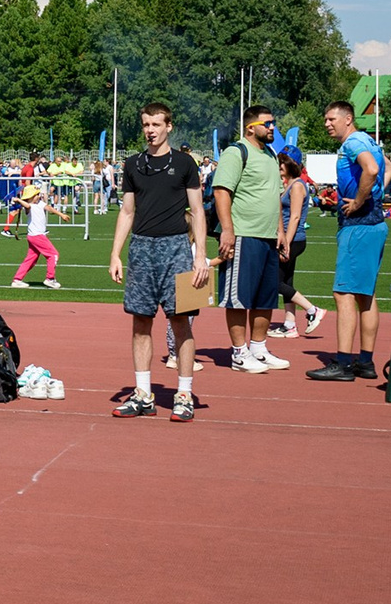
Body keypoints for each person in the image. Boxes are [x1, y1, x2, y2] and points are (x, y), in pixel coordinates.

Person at [110, 103, 211, 421]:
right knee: (140, 322)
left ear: (169, 126)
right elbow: (127, 212)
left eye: (156, 124)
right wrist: (115, 253)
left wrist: (200, 256)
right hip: (140, 250)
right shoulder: (132, 164)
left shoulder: (185, 163)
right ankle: (142, 393)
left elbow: (197, 211)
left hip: (177, 250)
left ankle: (183, 394)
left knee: (181, 322)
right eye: (145, 125)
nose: (150, 130)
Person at [309, 101, 391, 383]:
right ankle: (365, 362)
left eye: (331, 119)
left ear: (348, 119)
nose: (327, 124)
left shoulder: (354, 143)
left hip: (358, 225)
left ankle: (343, 363)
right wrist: (374, 196)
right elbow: (387, 167)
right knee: (365, 295)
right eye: (326, 119)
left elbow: (370, 170)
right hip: (375, 223)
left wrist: (359, 199)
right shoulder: (369, 140)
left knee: (343, 294)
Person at [213, 106, 289, 372]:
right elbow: (222, 192)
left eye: (273, 123)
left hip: (268, 236)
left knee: (265, 297)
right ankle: (238, 353)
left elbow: (275, 196)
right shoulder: (236, 152)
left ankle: (258, 348)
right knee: (238, 298)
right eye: (268, 124)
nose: (272, 128)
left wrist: (280, 230)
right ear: (250, 127)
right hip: (244, 234)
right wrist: (228, 230)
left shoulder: (270, 154)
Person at [266, 132, 324, 344]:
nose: (280, 165)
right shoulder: (289, 184)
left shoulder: (298, 185)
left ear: (294, 165)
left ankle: (312, 309)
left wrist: (286, 243)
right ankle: (290, 324)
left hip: (294, 239)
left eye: (285, 162)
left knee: (273, 281)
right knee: (287, 280)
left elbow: (296, 216)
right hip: (289, 238)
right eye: (280, 161)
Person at [12, 182, 66, 289]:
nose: (39, 196)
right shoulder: (28, 206)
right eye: (36, 195)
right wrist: (18, 200)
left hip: (37, 236)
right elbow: (27, 205)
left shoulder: (40, 204)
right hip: (37, 236)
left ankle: (17, 279)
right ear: (31, 197)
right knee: (53, 254)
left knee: (31, 258)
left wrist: (61, 215)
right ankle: (50, 278)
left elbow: (49, 208)